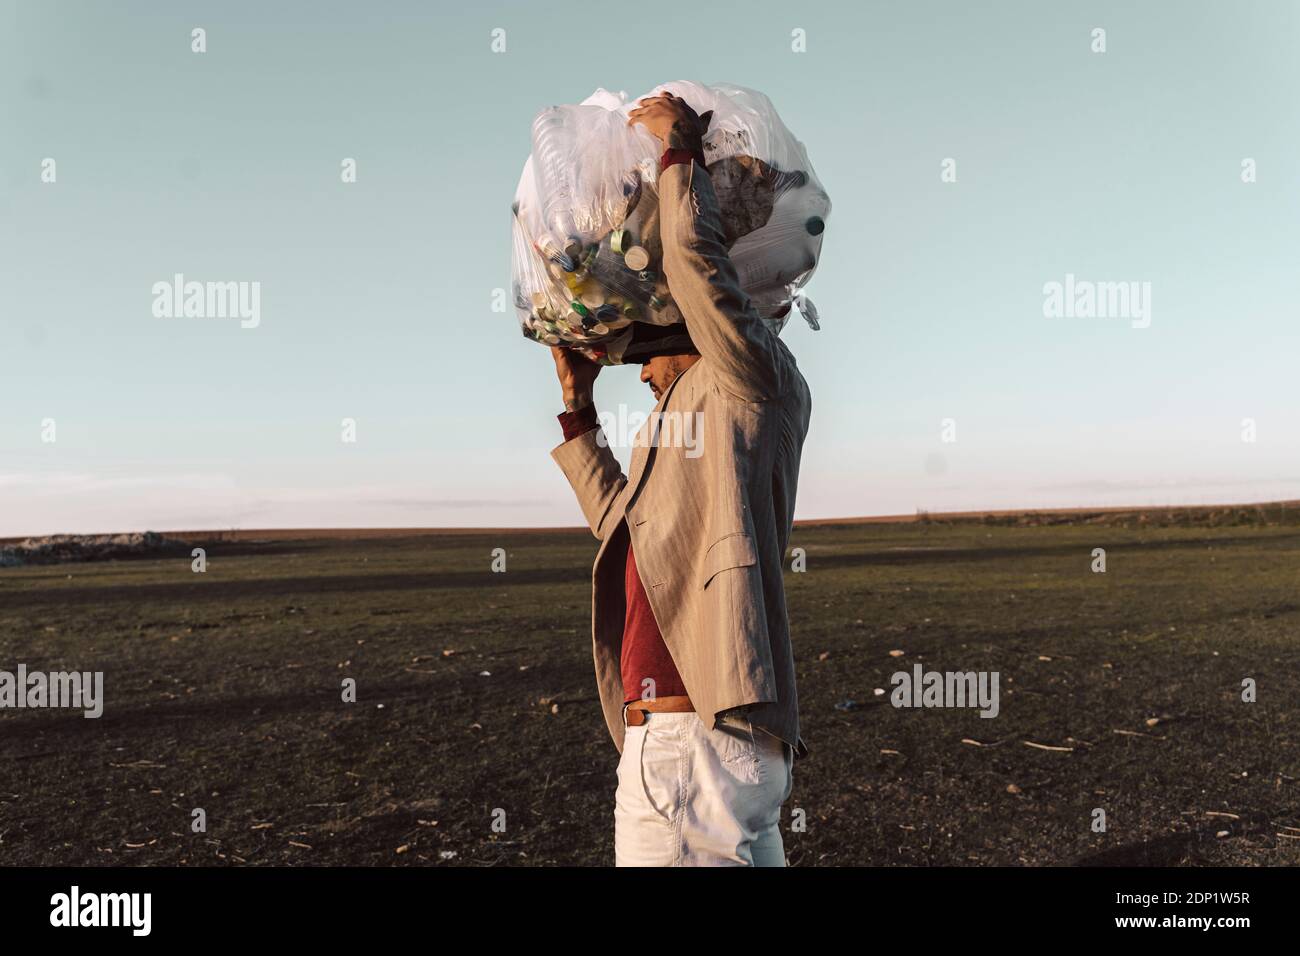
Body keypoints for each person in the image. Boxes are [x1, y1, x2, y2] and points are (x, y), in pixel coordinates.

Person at [548, 92, 812, 866]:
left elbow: (699, 275)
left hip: (692, 739)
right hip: (703, 743)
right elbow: (628, 526)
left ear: (688, 326)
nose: (637, 372)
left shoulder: (745, 378)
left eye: (640, 352)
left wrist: (680, 154)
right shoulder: (692, 418)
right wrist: (576, 411)